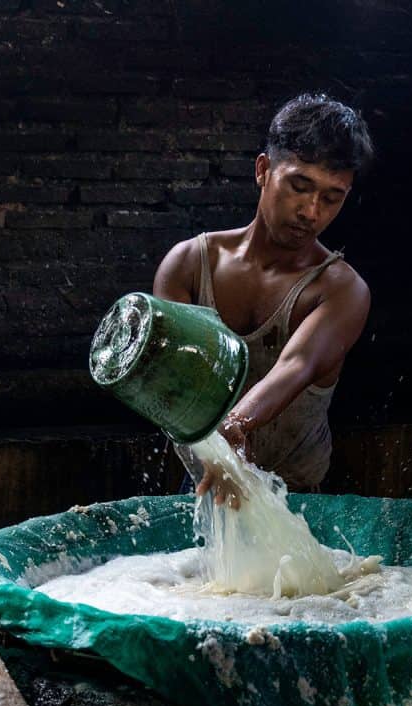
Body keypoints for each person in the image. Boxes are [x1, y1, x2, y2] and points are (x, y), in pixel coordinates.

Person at [152, 92, 373, 505]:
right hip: (203, 490)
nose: (311, 211)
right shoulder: (187, 266)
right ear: (263, 171)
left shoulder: (341, 290)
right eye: (299, 186)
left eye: (331, 197)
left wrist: (236, 424)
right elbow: (177, 385)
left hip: (299, 500)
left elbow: (297, 363)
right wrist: (218, 446)